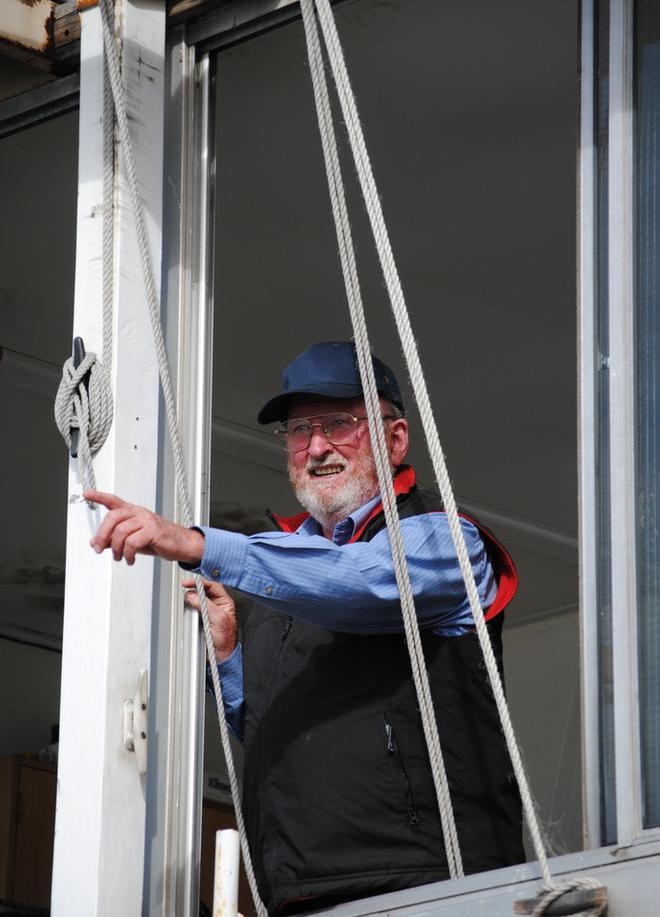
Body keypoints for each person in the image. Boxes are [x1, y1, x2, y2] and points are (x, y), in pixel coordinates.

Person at [86, 340, 524, 916]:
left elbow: (359, 580)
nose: (317, 448)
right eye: (299, 431)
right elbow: (278, 732)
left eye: (339, 424)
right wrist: (230, 660)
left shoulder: (445, 539)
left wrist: (196, 543)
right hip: (301, 891)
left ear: (396, 440)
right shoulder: (282, 578)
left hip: (433, 885)